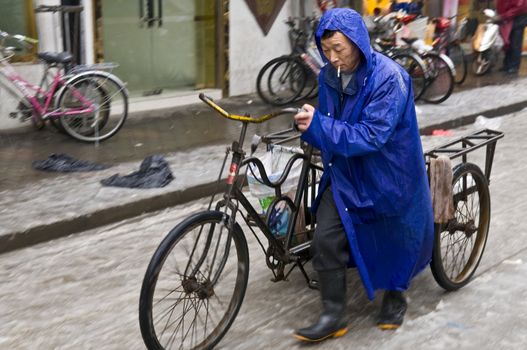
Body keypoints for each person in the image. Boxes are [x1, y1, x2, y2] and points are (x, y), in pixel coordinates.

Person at [292, 8, 434, 342]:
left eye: (339, 48)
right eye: (326, 50)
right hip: (346, 172)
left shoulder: (390, 77)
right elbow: (329, 120)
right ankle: (332, 314)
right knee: (325, 238)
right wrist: (310, 125)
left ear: (358, 42)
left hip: (388, 172)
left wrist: (320, 127)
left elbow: (372, 135)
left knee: (394, 236)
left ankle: (395, 294)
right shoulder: (327, 76)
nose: (332, 57)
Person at [496, 0, 527, 74]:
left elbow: (519, 8)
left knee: (515, 42)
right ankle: (507, 64)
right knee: (508, 40)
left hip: (519, 17)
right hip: (508, 16)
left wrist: (503, 16)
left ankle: (514, 66)